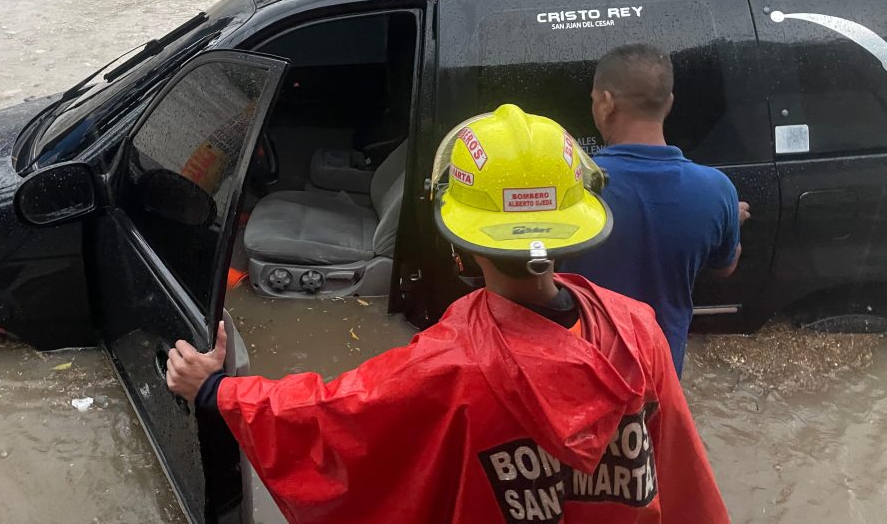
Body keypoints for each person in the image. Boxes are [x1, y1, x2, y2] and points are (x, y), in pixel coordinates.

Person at [167, 104, 730, 524]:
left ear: (459, 243)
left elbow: (330, 420)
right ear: (572, 226)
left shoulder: (449, 367)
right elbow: (685, 481)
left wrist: (215, 390)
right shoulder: (638, 329)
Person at [565, 44, 749, 377]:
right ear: (669, 102)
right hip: (660, 378)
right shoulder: (717, 191)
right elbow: (726, 266)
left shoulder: (571, 186)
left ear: (605, 102)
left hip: (585, 377)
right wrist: (728, 219)